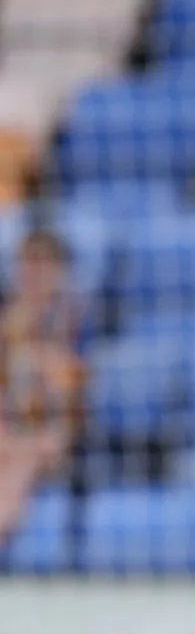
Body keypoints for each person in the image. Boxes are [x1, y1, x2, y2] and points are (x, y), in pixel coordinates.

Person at [0, 228, 83, 542]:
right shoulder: (10, 320)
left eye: (40, 264)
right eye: (25, 264)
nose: (31, 274)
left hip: (55, 433)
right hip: (12, 427)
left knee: (22, 457)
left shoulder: (72, 316)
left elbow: (71, 389)